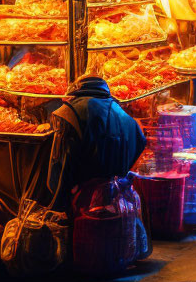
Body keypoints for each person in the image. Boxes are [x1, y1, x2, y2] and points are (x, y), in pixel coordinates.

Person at [48, 75, 147, 206]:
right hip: (118, 200)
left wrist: (59, 202)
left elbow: (60, 167)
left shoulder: (69, 112)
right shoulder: (126, 117)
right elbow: (141, 142)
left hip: (84, 202)